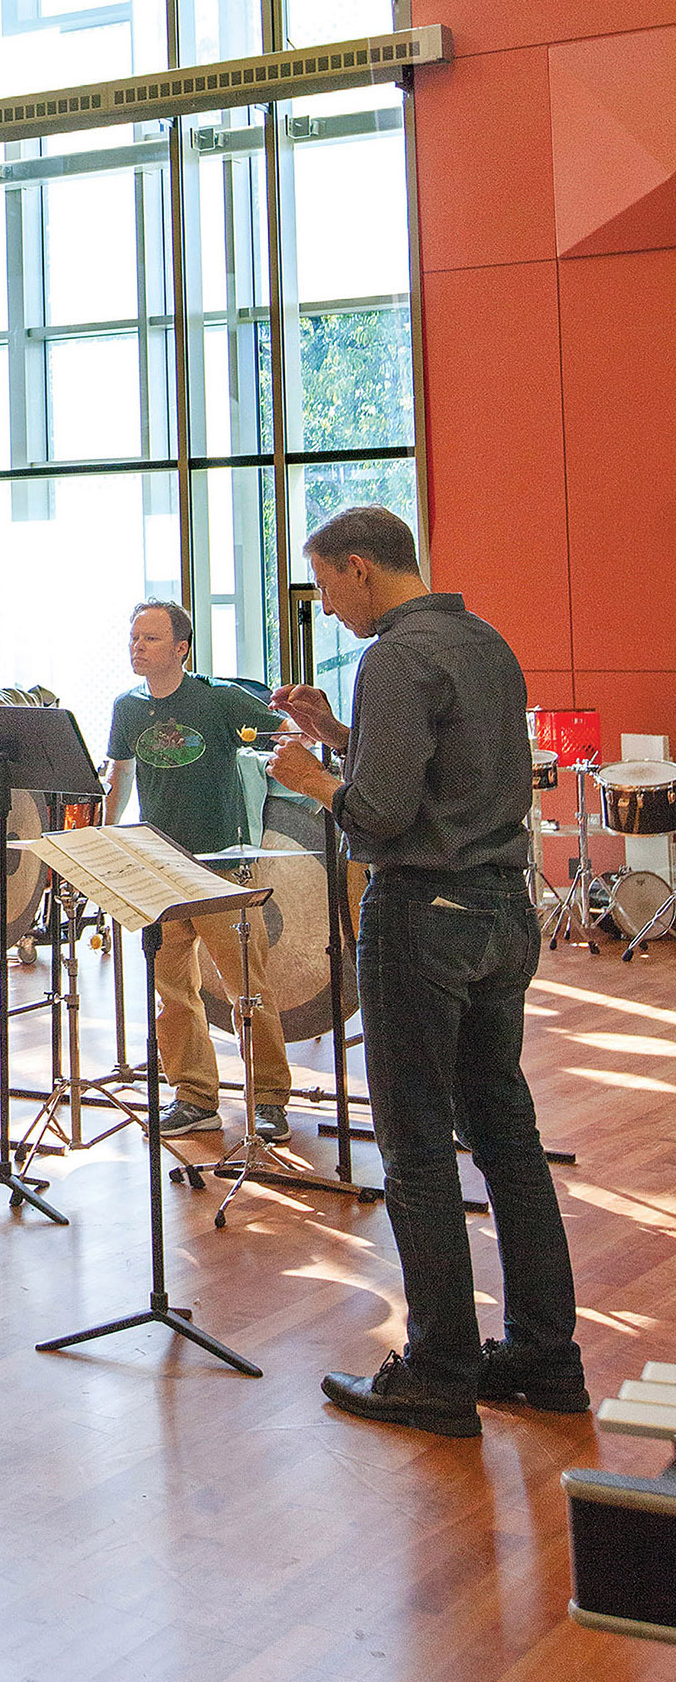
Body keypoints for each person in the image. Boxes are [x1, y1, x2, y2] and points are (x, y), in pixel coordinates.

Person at [267, 505, 586, 1439]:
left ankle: (440, 1370)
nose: (328, 609)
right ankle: (544, 1356)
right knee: (507, 1134)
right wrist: (337, 733)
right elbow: (445, 776)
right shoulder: (485, 643)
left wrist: (318, 781)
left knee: (412, 1151)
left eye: (326, 587)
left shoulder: (396, 657)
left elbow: (381, 815)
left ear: (361, 569)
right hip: (502, 909)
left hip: (423, 917)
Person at [104, 599, 294, 1144]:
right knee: (173, 993)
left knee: (247, 992)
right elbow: (121, 775)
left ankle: (269, 1100)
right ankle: (194, 1097)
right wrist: (105, 837)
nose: (138, 647)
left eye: (152, 639)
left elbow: (286, 734)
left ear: (182, 648)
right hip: (159, 872)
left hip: (219, 868)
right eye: (134, 637)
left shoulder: (217, 699)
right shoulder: (127, 708)